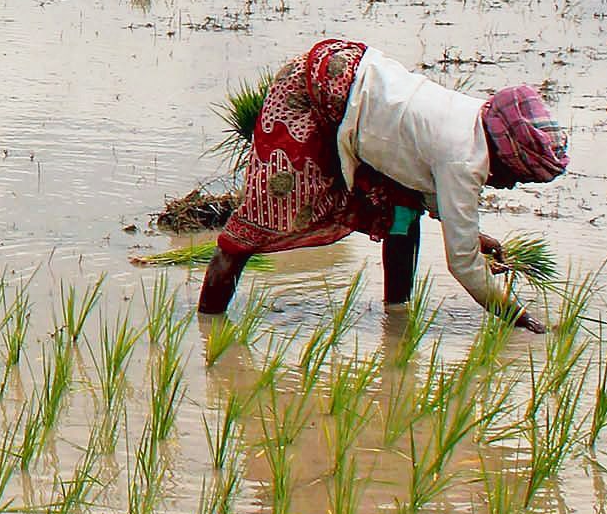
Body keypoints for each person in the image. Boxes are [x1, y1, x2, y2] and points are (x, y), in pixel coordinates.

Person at [196, 40, 566, 332]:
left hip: (360, 81)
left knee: (403, 211)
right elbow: (464, 265)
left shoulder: (474, 116)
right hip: (313, 93)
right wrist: (516, 317)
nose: (510, 186)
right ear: (503, 156)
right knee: (258, 223)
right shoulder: (464, 160)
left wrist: (473, 234)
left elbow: (427, 177)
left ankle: (396, 316)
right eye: (516, 177)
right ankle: (207, 328)